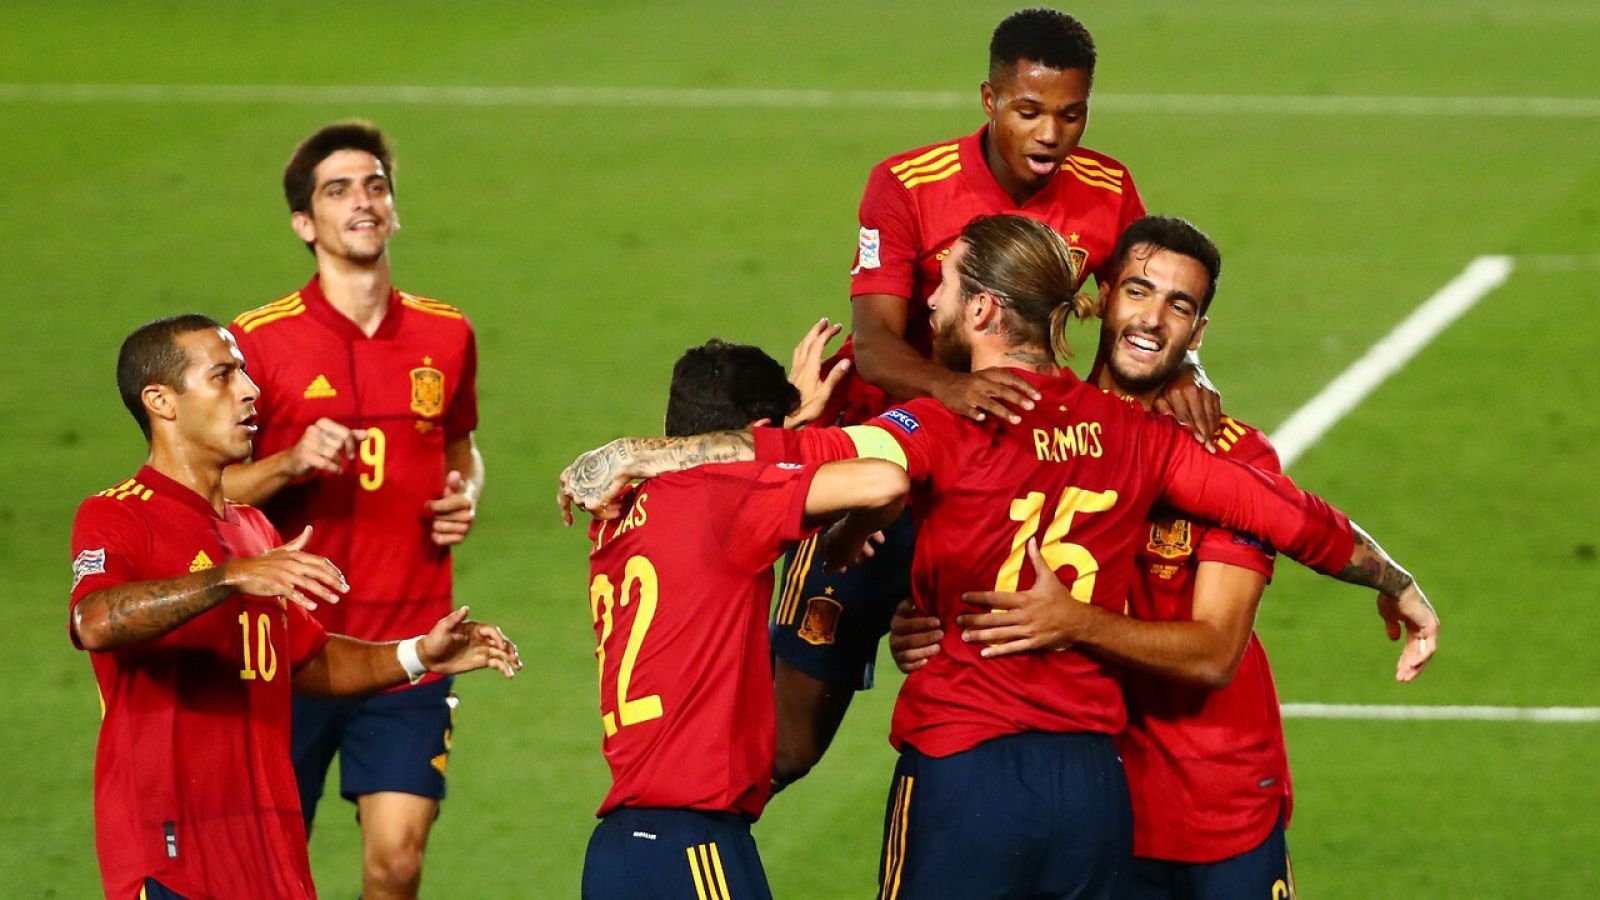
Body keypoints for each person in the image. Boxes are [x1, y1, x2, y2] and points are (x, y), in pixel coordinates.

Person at [559, 214, 1438, 899]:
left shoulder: (941, 421)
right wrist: (1394, 580)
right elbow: (1286, 516)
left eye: (943, 286)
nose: (930, 305)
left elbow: (793, 457)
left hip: (966, 770)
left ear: (983, 309)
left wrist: (643, 452)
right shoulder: (1138, 435)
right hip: (1092, 788)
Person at [769, 6, 1222, 788]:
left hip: (1001, 487)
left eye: (1071, 114)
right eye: (1029, 111)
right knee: (788, 746)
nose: (1050, 134)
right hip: (880, 477)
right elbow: (873, 343)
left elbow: (1142, 308)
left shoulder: (1107, 188)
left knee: (1006, 709)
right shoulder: (908, 186)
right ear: (989, 100)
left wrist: (1187, 374)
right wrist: (955, 387)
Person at [891, 215, 1304, 898]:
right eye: (1138, 292)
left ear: (1198, 333)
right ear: (1101, 299)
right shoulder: (1024, 420)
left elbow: (1214, 653)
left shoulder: (1229, 453)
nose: (1153, 319)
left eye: (1180, 307)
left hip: (1215, 806)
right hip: (1100, 798)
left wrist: (1075, 622)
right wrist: (931, 618)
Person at [69, 316, 519, 900]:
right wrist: (228, 578)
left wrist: (419, 655)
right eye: (223, 376)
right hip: (173, 852)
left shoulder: (254, 529)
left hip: (270, 858)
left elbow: (307, 658)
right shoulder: (120, 514)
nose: (250, 390)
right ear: (162, 401)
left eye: (244, 373)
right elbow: (94, 621)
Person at [220, 121, 483, 899]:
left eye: (375, 185)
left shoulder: (447, 332)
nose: (363, 201)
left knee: (397, 863)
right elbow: (210, 494)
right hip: (292, 650)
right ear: (305, 223)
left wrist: (466, 492)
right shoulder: (256, 344)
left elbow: (462, 447)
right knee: (268, 869)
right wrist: (290, 462)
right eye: (338, 191)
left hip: (411, 641)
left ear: (394, 208)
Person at [571, 339, 908, 899]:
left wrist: (782, 425)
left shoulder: (619, 512)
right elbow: (886, 480)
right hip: (692, 842)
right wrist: (842, 525)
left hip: (617, 853)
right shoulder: (723, 498)